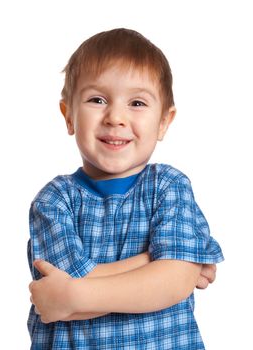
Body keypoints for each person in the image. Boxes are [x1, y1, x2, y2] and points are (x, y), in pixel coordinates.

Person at [28, 28, 224, 349]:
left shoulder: (169, 186)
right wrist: (163, 262)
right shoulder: (53, 199)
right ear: (69, 116)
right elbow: (59, 287)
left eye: (136, 102)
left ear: (163, 121)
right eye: (97, 99)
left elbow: (170, 284)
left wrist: (74, 296)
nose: (115, 117)